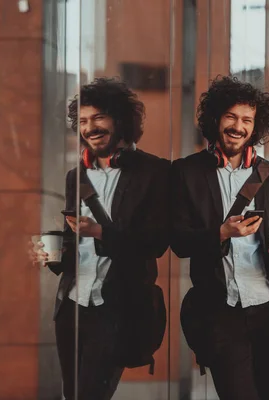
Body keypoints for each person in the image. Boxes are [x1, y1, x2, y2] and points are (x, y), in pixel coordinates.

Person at [30, 77, 170, 400]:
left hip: (118, 310)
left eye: (98, 118)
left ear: (120, 119)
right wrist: (49, 255)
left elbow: (155, 242)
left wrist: (101, 233)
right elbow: (72, 247)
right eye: (82, 121)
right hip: (72, 307)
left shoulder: (155, 172)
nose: (89, 128)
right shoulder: (74, 176)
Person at [171, 76, 269, 400]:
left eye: (246, 120)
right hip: (220, 312)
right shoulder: (187, 172)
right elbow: (179, 242)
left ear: (255, 127)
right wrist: (221, 233)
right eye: (231, 117)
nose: (237, 126)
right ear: (216, 119)